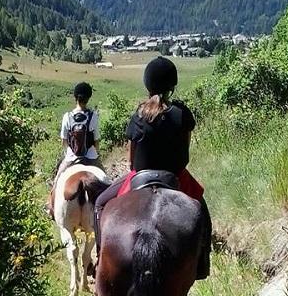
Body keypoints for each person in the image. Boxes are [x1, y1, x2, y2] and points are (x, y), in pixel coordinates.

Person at [93, 56, 212, 278]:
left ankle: (100, 257)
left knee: (100, 204)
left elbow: (131, 160)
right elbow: (185, 152)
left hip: (139, 177)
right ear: (172, 85)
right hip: (176, 176)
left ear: (148, 84)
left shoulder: (138, 114)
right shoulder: (182, 114)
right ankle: (203, 263)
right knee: (202, 211)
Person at [48, 82, 101, 218]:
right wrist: (96, 154)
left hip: (72, 157)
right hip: (90, 156)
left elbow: (64, 141)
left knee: (57, 180)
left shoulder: (67, 116)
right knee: (106, 181)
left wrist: (69, 153)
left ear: (75, 97)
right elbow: (96, 141)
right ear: (88, 98)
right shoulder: (93, 116)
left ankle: (51, 207)